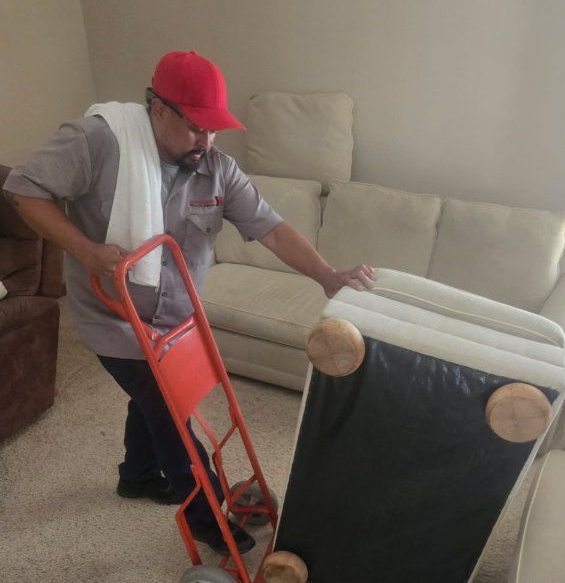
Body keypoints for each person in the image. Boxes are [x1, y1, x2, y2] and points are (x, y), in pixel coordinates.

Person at [3, 50, 375, 555]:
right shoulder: (99, 140)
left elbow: (271, 229)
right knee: (171, 409)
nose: (207, 141)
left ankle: (136, 476)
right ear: (158, 109)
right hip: (116, 317)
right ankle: (206, 517)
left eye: (214, 130)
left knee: (153, 400)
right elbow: (23, 190)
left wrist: (329, 277)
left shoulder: (217, 168)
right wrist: (88, 252)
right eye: (197, 127)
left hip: (177, 319)